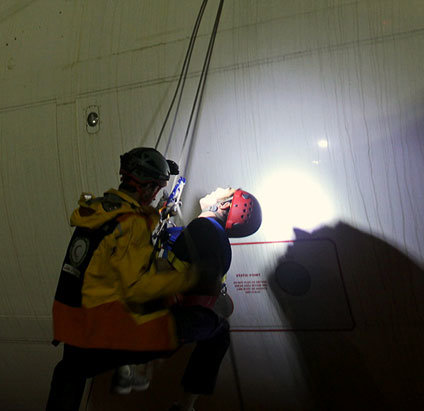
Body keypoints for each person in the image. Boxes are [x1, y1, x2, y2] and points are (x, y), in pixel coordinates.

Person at [46, 147, 198, 411]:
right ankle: (129, 369)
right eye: (158, 188)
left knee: (71, 370)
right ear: (148, 187)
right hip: (96, 323)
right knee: (177, 331)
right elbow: (137, 286)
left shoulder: (100, 208)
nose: (158, 194)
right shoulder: (133, 222)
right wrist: (184, 281)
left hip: (69, 317)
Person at [161, 186, 263, 411]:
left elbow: (170, 276)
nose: (216, 190)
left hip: (167, 317)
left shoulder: (202, 228)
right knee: (220, 332)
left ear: (226, 205)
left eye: (223, 191)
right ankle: (187, 406)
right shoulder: (221, 244)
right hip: (194, 323)